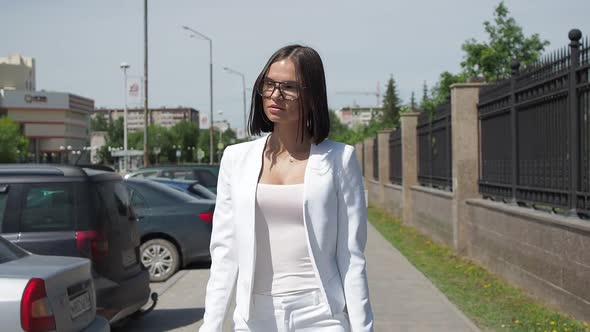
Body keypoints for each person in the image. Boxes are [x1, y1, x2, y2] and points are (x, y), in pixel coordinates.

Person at [200, 45, 373, 332]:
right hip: (254, 315)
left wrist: (363, 327)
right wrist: (211, 325)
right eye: (269, 84)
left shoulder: (340, 159)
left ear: (311, 95)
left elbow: (351, 255)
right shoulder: (235, 159)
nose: (275, 94)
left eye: (289, 87)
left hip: (320, 313)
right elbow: (224, 250)